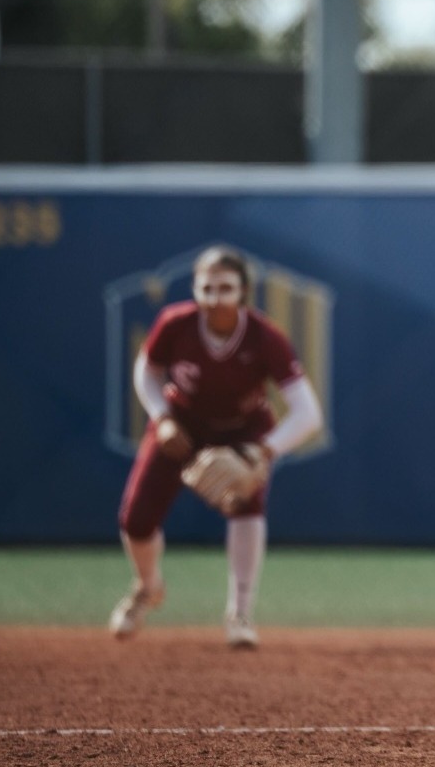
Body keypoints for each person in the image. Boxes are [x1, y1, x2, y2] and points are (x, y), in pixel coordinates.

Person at [109, 245, 324, 649]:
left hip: (243, 431)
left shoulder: (264, 338)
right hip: (182, 426)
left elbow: (308, 413)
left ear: (243, 293)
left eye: (225, 288)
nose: (214, 298)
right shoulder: (176, 324)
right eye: (206, 288)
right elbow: (148, 370)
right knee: (136, 518)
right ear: (194, 290)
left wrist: (261, 452)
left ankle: (239, 613)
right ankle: (147, 588)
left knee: (247, 508)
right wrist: (162, 417)